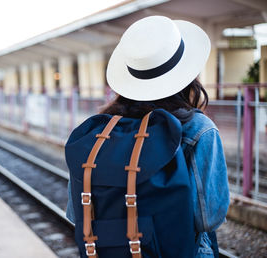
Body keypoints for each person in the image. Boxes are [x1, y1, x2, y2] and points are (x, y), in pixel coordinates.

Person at [65, 16, 229, 257]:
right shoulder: (198, 128)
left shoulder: (98, 133)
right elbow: (209, 217)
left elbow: (73, 213)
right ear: (186, 74)